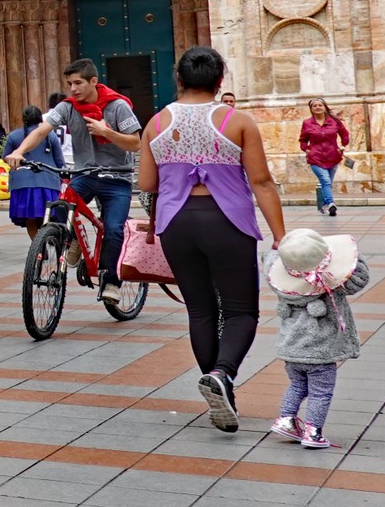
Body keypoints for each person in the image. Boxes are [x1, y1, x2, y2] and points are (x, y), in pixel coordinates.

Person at [138, 46, 285, 433]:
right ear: (220, 81)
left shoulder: (156, 123)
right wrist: (280, 236)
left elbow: (146, 184)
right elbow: (262, 182)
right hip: (226, 221)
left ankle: (220, 390)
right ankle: (223, 374)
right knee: (240, 311)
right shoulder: (237, 121)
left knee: (200, 311)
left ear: (179, 79)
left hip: (176, 223)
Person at [5, 58, 141, 304]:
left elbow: (136, 142)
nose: (74, 89)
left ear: (93, 81)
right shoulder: (68, 107)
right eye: (70, 84)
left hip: (117, 177)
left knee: (113, 228)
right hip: (85, 174)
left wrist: (106, 132)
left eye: (78, 83)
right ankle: (74, 239)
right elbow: (40, 131)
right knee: (59, 208)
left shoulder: (118, 106)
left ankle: (111, 282)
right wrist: (19, 152)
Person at [265, 228, 369, 449]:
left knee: (297, 384)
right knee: (321, 392)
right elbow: (359, 278)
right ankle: (313, 432)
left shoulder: (279, 281)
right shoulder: (331, 280)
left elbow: (271, 257)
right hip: (320, 351)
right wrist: (349, 256)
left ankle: (286, 419)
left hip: (292, 349)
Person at [3, 105, 65, 239]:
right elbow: (60, 161)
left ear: (23, 119)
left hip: (22, 184)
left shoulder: (13, 136)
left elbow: (5, 157)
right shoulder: (50, 136)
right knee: (47, 216)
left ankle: (37, 248)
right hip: (48, 183)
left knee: (29, 218)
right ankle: (46, 242)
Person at [299, 97, 350, 216]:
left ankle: (323, 205)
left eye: (320, 105)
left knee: (327, 183)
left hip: (333, 156)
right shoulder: (307, 123)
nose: (317, 107)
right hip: (315, 158)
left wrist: (343, 145)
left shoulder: (334, 121)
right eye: (314, 106)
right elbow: (303, 140)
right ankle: (331, 203)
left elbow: (344, 134)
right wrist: (306, 149)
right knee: (325, 181)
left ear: (324, 107)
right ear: (311, 109)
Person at [47, 92, 74, 167]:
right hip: (70, 157)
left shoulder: (42, 118)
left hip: (50, 159)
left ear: (49, 104)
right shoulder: (72, 117)